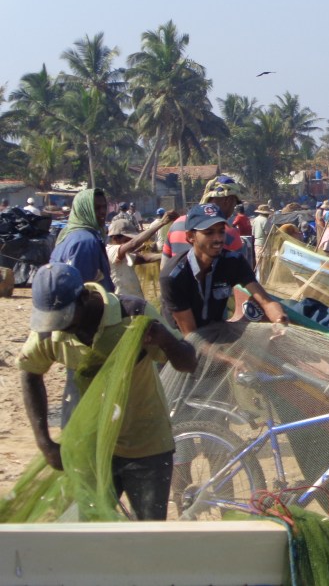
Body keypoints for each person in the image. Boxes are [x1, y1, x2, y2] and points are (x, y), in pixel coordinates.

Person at [17, 263, 196, 520]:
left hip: (145, 444)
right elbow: (30, 372)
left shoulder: (133, 314)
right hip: (90, 446)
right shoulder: (51, 332)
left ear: (84, 298)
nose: (59, 327)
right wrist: (44, 442)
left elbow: (188, 363)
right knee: (89, 529)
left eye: (64, 318)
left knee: (148, 532)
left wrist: (165, 340)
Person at [159, 203, 288, 334]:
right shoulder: (173, 276)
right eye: (209, 232)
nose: (218, 238)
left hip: (214, 331)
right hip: (178, 338)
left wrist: (279, 319)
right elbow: (191, 335)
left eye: (221, 231)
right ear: (190, 237)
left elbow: (266, 302)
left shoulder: (234, 262)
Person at [161, 175, 246, 264]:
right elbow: (241, 271)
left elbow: (164, 267)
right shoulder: (228, 233)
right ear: (228, 200)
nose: (234, 208)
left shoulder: (176, 224)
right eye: (235, 203)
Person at [50, 188, 114, 292]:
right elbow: (80, 290)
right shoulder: (85, 241)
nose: (103, 212)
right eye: (96, 208)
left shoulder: (67, 235)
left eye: (104, 207)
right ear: (83, 210)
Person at [107, 211, 178, 296]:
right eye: (126, 240)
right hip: (121, 299)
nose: (129, 243)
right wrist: (161, 223)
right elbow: (133, 243)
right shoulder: (111, 250)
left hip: (133, 299)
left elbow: (145, 258)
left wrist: (169, 255)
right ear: (115, 238)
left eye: (130, 240)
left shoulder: (126, 254)